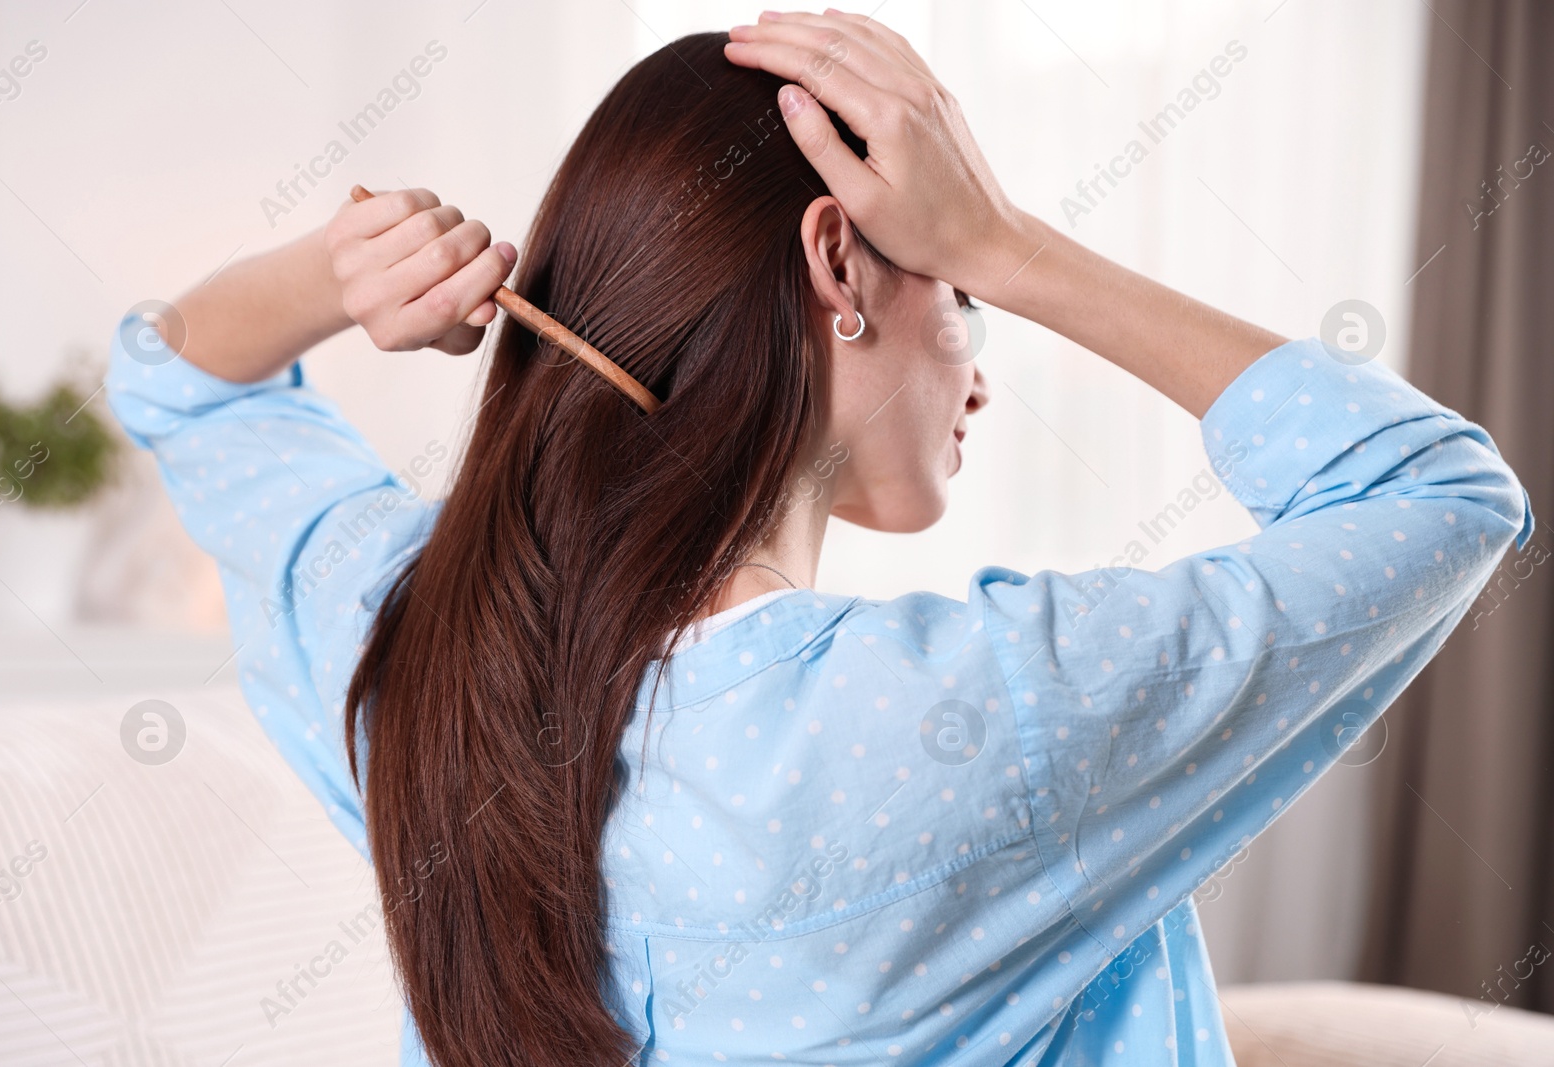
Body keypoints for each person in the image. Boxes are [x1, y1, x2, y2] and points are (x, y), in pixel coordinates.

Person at [105, 12, 1533, 1067]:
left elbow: (176, 378)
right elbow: (1438, 493)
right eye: (956, 294)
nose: (980, 368)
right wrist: (1017, 244)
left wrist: (335, 273)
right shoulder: (977, 709)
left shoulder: (405, 638)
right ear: (836, 260)